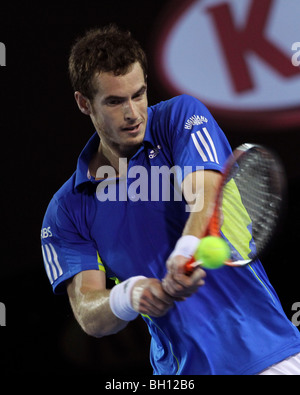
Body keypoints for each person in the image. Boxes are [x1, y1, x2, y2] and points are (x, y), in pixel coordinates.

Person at [41, 24, 300, 375]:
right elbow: (90, 315)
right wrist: (130, 295)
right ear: (84, 103)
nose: (133, 113)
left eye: (139, 94)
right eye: (115, 101)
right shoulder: (67, 210)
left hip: (268, 355)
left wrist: (185, 251)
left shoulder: (178, 118)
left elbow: (206, 196)